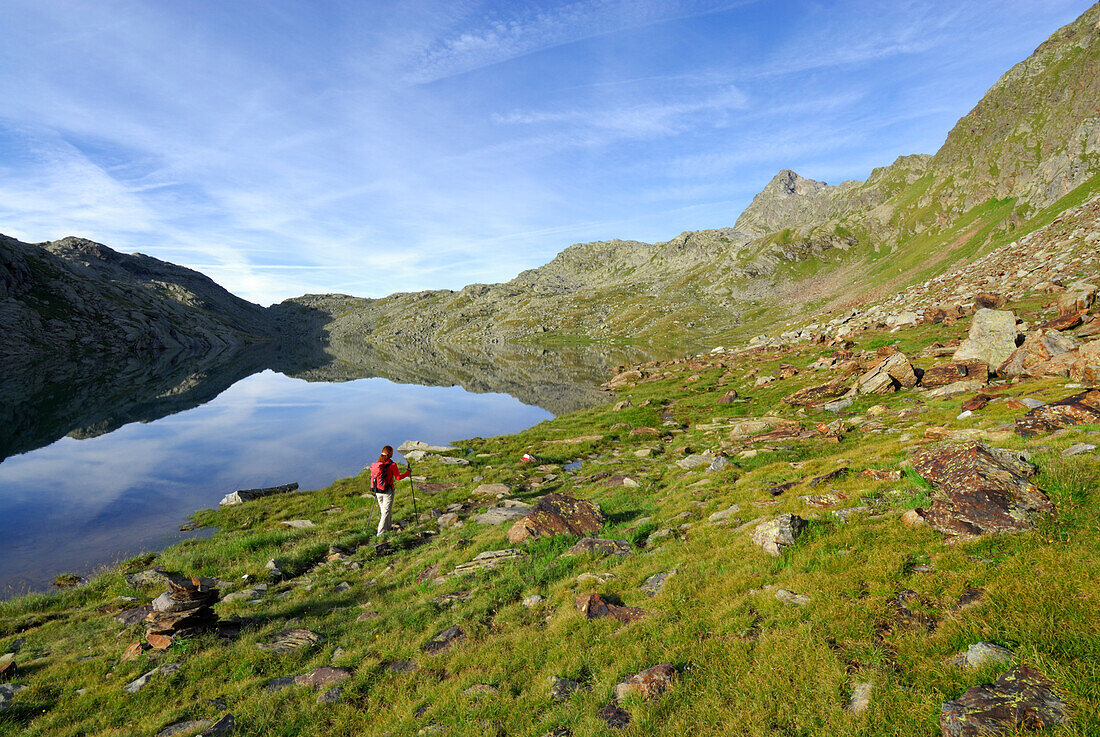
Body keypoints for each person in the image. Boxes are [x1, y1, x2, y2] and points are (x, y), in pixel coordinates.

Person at [369, 445, 410, 536]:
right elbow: (398, 478)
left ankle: (388, 529)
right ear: (390, 453)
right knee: (386, 512)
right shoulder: (392, 464)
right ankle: (380, 533)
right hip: (388, 491)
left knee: (384, 511)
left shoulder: (378, 463)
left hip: (378, 491)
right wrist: (408, 472)